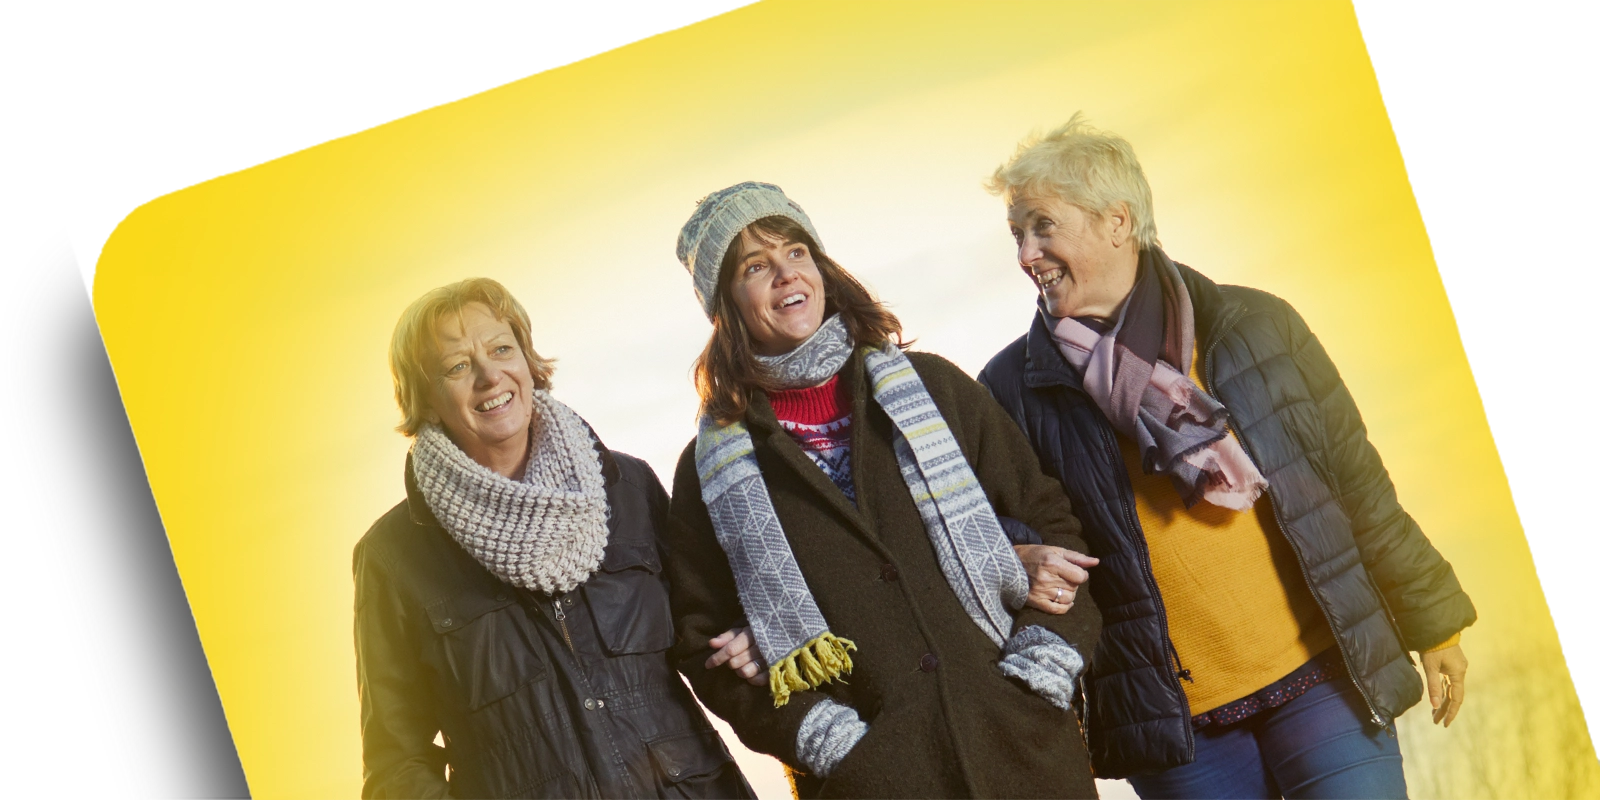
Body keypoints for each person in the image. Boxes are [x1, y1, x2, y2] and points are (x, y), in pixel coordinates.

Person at [976, 115, 1477, 800]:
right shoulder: (1010, 392)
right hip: (1178, 732)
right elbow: (1001, 548)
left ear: (1116, 221)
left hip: (1322, 681)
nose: (1027, 254)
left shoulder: (1255, 326)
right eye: (1017, 235)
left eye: (1042, 227)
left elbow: (1357, 485)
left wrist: (1433, 619)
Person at [659, 182, 1102, 799]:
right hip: (874, 784)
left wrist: (1038, 677)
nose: (787, 276)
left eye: (796, 253)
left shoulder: (935, 389)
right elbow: (703, 642)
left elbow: (1050, 519)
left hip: (1023, 755)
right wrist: (836, 745)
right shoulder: (708, 471)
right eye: (756, 267)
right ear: (726, 302)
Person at [353, 278, 757, 800]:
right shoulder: (393, 556)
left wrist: (752, 641)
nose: (489, 375)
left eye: (502, 349)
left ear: (527, 362)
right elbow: (395, 764)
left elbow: (708, 633)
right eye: (457, 366)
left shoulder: (627, 488)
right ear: (425, 400)